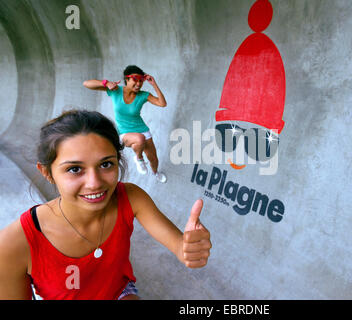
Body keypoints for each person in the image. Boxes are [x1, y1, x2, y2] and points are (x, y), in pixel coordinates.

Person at [0, 110, 211, 300]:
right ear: (47, 173)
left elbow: (180, 247)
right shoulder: (13, 244)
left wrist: (190, 250)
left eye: (106, 164)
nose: (95, 183)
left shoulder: (130, 197)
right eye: (75, 169)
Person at [83, 65, 167, 183]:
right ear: (127, 79)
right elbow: (87, 84)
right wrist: (106, 83)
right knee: (139, 139)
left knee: (154, 159)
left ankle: (155, 172)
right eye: (135, 80)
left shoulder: (143, 95)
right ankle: (139, 159)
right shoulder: (115, 90)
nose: (138, 84)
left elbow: (162, 103)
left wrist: (154, 84)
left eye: (141, 81)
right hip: (124, 133)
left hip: (142, 128)